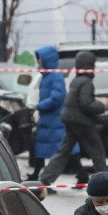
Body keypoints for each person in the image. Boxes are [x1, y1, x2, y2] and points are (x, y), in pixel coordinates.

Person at [38, 51, 108, 185]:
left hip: (70, 119)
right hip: (80, 122)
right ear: (89, 66)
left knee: (63, 152)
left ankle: (44, 180)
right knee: (97, 152)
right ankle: (107, 182)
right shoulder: (86, 82)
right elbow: (86, 105)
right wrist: (105, 107)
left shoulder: (76, 80)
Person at [30, 45, 67, 180]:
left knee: (60, 149)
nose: (38, 62)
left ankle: (39, 176)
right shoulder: (46, 76)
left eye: (40, 59)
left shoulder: (55, 76)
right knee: (44, 147)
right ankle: (36, 174)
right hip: (48, 118)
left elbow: (57, 97)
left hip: (54, 118)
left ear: (47, 60)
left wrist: (40, 106)